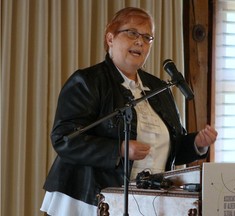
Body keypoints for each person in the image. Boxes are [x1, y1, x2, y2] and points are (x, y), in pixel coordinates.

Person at [40, 6, 218, 216]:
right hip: (91, 199)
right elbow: (64, 139)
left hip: (148, 201)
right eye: (132, 33)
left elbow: (172, 149)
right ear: (110, 38)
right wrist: (119, 149)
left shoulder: (159, 88)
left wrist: (197, 144)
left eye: (147, 37)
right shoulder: (87, 81)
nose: (139, 41)